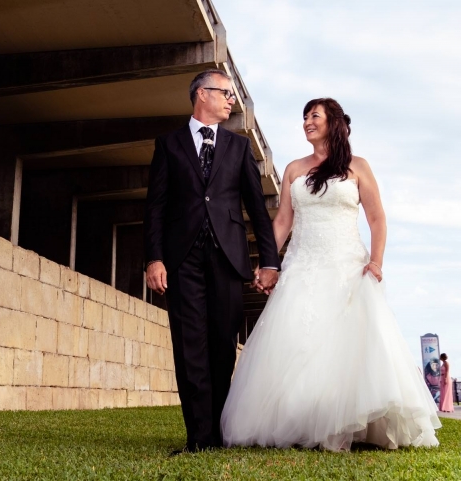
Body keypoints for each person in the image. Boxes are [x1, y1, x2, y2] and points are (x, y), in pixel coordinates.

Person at [220, 98, 441, 451]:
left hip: (347, 266)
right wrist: (268, 264)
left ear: (333, 122)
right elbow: (282, 221)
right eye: (304, 117)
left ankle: (352, 423)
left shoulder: (358, 167)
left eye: (314, 116)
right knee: (298, 341)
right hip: (302, 266)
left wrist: (377, 262)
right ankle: (301, 422)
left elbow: (377, 218)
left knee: (348, 346)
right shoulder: (294, 168)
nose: (307, 121)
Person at [144, 69, 280, 452]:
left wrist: (270, 261)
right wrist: (154, 258)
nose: (231, 100)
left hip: (227, 257)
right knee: (189, 347)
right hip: (181, 258)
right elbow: (155, 207)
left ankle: (219, 433)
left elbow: (256, 207)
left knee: (222, 344)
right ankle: (198, 438)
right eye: (226, 93)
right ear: (202, 94)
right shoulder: (168, 144)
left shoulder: (238, 148)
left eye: (232, 96)